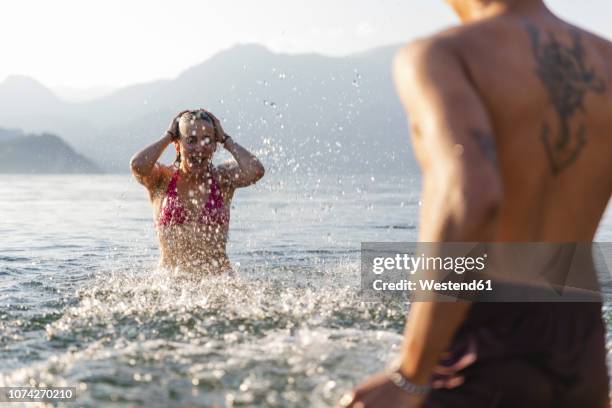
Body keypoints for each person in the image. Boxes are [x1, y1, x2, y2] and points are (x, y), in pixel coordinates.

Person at [341, 0, 612, 406]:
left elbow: (472, 199)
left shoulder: (444, 55)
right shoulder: (604, 59)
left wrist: (410, 375)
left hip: (487, 333)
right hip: (582, 338)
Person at [130, 109, 264, 274]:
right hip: (171, 286)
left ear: (215, 146)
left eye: (207, 140)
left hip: (219, 286)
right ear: (178, 145)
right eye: (191, 140)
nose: (200, 148)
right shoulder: (162, 179)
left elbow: (255, 170)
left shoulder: (223, 179)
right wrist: (168, 136)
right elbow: (138, 165)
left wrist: (226, 140)